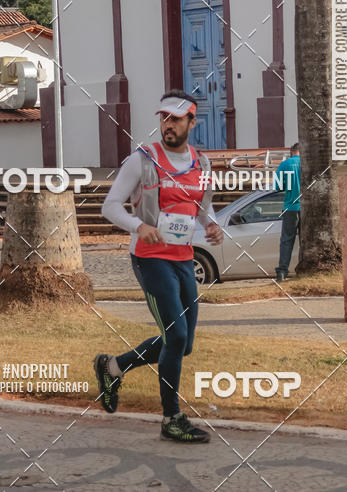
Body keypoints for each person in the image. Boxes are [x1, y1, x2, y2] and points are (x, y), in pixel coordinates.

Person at [94, 90, 223, 443]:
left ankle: (112, 367)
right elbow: (110, 206)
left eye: (176, 119)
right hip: (150, 259)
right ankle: (172, 419)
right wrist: (140, 226)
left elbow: (203, 208)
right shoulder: (142, 159)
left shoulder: (203, 164)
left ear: (191, 122)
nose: (168, 124)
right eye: (164, 117)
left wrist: (212, 226)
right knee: (176, 335)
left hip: (183, 258)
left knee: (183, 343)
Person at [275, 143, 301, 282]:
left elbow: (278, 187)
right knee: (305, 241)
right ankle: (303, 268)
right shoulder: (308, 163)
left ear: (291, 152)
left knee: (286, 240)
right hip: (307, 209)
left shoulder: (284, 164)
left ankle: (282, 272)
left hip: (290, 207)